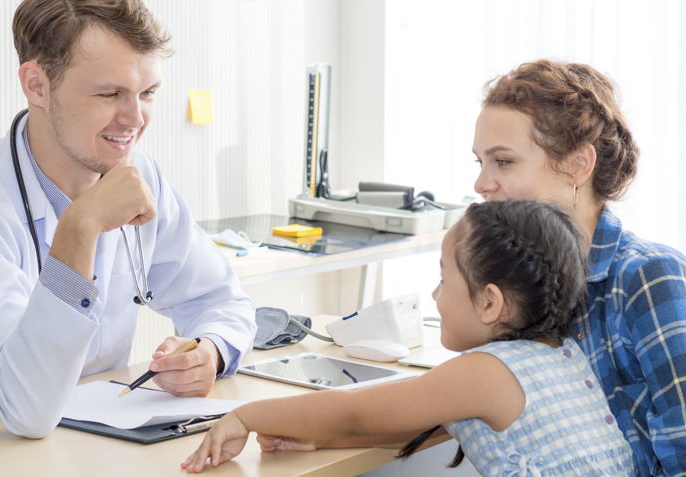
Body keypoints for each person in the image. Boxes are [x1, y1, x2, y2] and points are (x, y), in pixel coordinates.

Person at [0, 0, 256, 438]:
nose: (135, 119)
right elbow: (24, 408)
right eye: (110, 94)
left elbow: (220, 299)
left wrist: (211, 349)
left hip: (85, 443)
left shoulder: (138, 176)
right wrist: (79, 229)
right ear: (37, 85)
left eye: (148, 93)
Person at [182, 199, 636, 476]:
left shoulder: (488, 373)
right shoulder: (561, 354)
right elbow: (411, 424)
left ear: (490, 303)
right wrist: (321, 440)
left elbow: (356, 413)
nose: (435, 295)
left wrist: (247, 415)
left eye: (444, 280)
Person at [471, 59, 686, 476]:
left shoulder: (648, 279)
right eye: (479, 162)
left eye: (503, 162)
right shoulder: (521, 285)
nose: (481, 184)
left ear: (578, 165)